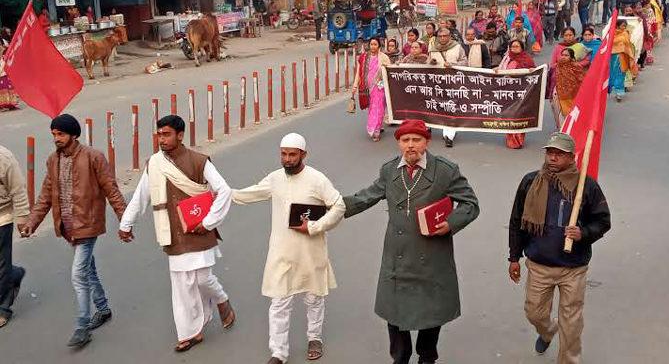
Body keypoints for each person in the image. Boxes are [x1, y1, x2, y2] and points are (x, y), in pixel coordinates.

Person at [343, 119, 480, 364]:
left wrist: (450, 224)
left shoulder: (445, 171)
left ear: (426, 142)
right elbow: (366, 197)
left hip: (432, 256)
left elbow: (470, 204)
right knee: (395, 313)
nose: (410, 146)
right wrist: (331, 208)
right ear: (398, 144)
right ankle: (400, 357)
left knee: (432, 312)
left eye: (416, 140)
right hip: (397, 258)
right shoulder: (389, 171)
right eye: (405, 140)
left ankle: (427, 357)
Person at [118, 115, 235, 352]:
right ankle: (191, 332)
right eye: (159, 134)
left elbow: (224, 191)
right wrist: (126, 223)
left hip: (199, 229)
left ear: (180, 135)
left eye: (167, 134)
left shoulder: (199, 161)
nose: (161, 139)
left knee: (202, 279)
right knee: (182, 285)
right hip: (172, 232)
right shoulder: (155, 164)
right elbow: (142, 195)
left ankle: (222, 299)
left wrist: (209, 221)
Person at [231, 133, 346, 364]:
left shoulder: (317, 179)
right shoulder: (275, 179)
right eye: (283, 154)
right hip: (281, 251)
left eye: (292, 154)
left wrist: (315, 226)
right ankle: (278, 352)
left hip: (311, 250)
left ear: (304, 154)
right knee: (279, 302)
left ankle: (314, 337)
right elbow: (250, 193)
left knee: (313, 298)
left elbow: (338, 205)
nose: (287, 159)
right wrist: (223, 193)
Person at [18, 114, 127, 348]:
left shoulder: (93, 157)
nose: (57, 138)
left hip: (87, 225)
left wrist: (125, 220)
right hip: (67, 228)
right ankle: (103, 308)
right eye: (54, 134)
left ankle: (82, 326)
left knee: (78, 274)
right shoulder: (53, 161)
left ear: (74, 135)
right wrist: (31, 223)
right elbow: (46, 195)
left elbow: (111, 189)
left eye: (61, 134)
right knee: (88, 270)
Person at [508, 132, 610, 364]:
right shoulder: (530, 181)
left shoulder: (587, 186)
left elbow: (603, 221)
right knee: (534, 313)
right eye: (550, 153)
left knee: (571, 321)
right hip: (539, 265)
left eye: (559, 154)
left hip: (573, 268)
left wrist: (583, 233)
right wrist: (514, 257)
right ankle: (547, 331)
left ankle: (569, 360)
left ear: (572, 157)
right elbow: (516, 221)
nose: (553, 158)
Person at [0, 145, 29, 328]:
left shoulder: (4, 158)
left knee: (1, 263)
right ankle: (15, 273)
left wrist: (23, 217)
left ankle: (3, 308)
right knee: (4, 267)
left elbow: (18, 189)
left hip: (2, 217)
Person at [497, 40, 536, 150]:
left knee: (519, 115)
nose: (514, 48)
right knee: (509, 114)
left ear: (522, 48)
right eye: (512, 46)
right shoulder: (507, 58)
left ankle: (519, 140)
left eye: (517, 46)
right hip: (508, 91)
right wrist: (497, 70)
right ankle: (510, 139)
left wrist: (532, 71)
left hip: (521, 92)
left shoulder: (527, 59)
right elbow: (501, 70)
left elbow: (533, 73)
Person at [352, 37, 392, 142]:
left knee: (378, 108)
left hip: (380, 87)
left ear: (379, 46)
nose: (373, 46)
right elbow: (358, 72)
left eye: (375, 44)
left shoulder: (384, 57)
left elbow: (390, 72)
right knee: (371, 108)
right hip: (366, 88)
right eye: (371, 44)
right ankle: (374, 127)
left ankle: (376, 131)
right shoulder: (363, 57)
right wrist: (355, 85)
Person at [548, 27, 589, 101]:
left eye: (570, 35)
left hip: (575, 71)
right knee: (554, 78)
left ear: (574, 35)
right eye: (566, 35)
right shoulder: (558, 47)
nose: (568, 37)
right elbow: (552, 64)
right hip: (560, 72)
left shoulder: (580, 46)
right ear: (563, 36)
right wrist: (560, 64)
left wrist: (576, 64)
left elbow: (587, 60)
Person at [553, 48, 585, 120]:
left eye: (566, 55)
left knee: (574, 113)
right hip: (562, 94)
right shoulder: (558, 65)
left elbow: (581, 79)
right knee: (565, 114)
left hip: (574, 94)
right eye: (562, 55)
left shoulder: (576, 66)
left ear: (571, 57)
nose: (564, 57)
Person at [609, 20, 636, 102]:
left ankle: (619, 93)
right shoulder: (611, 33)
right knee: (612, 73)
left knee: (621, 74)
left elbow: (627, 44)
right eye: (622, 26)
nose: (624, 27)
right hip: (613, 57)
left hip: (623, 57)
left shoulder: (625, 33)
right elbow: (609, 44)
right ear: (617, 26)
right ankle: (611, 89)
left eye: (625, 26)